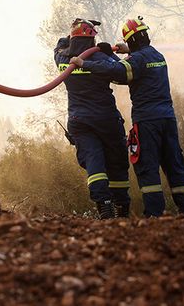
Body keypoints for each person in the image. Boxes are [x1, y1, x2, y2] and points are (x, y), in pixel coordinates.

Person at [70, 17, 184, 218]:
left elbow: (118, 72)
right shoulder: (158, 56)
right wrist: (121, 53)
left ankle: (154, 217)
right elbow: (133, 69)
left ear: (132, 40)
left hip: (147, 122)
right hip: (168, 120)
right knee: (175, 167)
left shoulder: (137, 60)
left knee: (147, 168)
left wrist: (85, 63)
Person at [55, 19, 131, 219]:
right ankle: (121, 206)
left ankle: (104, 205)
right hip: (106, 118)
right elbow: (123, 72)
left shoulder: (64, 61)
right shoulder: (100, 59)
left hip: (80, 121)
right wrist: (109, 52)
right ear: (91, 38)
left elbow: (58, 47)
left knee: (93, 161)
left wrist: (70, 33)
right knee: (116, 161)